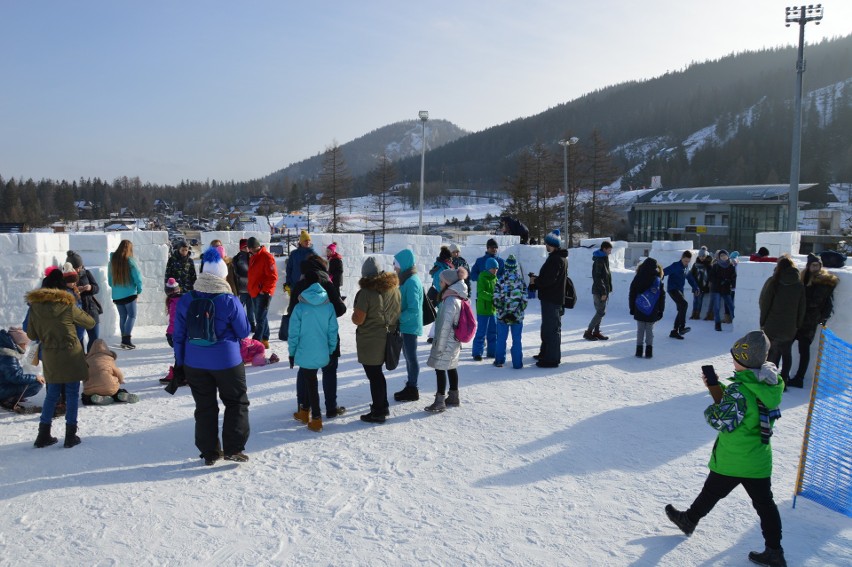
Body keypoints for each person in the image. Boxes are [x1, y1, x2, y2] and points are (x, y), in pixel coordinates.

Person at [665, 330, 786, 567]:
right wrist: (716, 387)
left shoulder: (739, 391)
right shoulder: (766, 382)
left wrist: (712, 406)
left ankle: (689, 520)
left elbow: (720, 419)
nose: (732, 361)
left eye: (735, 358)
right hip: (758, 459)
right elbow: (744, 407)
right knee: (765, 505)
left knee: (711, 492)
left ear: (744, 361)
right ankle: (775, 550)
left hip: (733, 457)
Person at [173, 248, 252, 465]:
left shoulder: (187, 299)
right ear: (222, 275)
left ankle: (209, 452)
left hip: (194, 362)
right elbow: (244, 331)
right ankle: (233, 448)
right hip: (227, 361)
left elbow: (178, 334)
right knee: (236, 402)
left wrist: (180, 363)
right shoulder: (229, 300)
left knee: (205, 407)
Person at [26, 281, 95, 448]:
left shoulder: (34, 308)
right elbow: (90, 322)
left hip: (50, 355)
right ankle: (70, 435)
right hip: (71, 353)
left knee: (51, 395)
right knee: (71, 394)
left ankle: (43, 435)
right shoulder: (67, 306)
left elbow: (31, 334)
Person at [287, 255, 347, 420]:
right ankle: (331, 408)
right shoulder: (327, 284)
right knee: (329, 371)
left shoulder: (299, 285)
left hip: (305, 339)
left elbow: (292, 312)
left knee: (304, 372)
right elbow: (341, 309)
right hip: (327, 335)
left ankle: (303, 407)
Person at [352, 257, 400, 424]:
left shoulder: (366, 293)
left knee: (374, 375)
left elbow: (358, 319)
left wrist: (354, 312)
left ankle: (379, 411)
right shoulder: (393, 288)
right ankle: (382, 405)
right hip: (388, 336)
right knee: (377, 374)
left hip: (371, 339)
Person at [288, 281, 339, 432]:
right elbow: (333, 331)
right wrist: (331, 349)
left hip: (305, 351)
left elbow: (293, 333)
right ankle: (304, 411)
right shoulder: (329, 307)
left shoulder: (300, 307)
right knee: (308, 379)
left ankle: (316, 418)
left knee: (310, 382)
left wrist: (291, 352)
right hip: (322, 350)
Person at [789, 253, 837, 388]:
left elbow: (819, 301)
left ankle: (799, 378)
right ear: (808, 266)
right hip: (798, 318)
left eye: (817, 265)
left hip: (810, 320)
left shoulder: (823, 281)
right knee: (786, 346)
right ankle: (785, 374)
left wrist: (822, 319)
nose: (815, 267)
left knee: (803, 349)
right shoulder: (803, 277)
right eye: (813, 265)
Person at [425, 267, 469, 412]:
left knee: (440, 369)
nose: (439, 283)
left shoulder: (450, 300)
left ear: (448, 283)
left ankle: (440, 401)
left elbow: (445, 326)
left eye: (441, 281)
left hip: (447, 341)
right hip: (454, 340)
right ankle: (454, 396)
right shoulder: (455, 296)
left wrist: (440, 346)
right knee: (451, 367)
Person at [758, 255, 806, 385]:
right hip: (790, 327)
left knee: (772, 353)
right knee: (786, 353)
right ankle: (784, 379)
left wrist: (762, 322)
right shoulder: (799, 285)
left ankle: (771, 380)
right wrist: (798, 325)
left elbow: (764, 303)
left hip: (772, 324)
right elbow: (802, 308)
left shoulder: (774, 282)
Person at [392, 248, 424, 402]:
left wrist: (398, 319)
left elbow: (413, 309)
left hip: (409, 326)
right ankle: (411, 385)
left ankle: (413, 388)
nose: (394, 267)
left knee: (411, 357)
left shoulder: (411, 282)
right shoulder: (406, 278)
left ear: (403, 264)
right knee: (408, 356)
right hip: (406, 325)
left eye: (395, 264)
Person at [533, 232, 568, 368]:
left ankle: (552, 359)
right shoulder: (558, 258)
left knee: (552, 329)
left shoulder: (556, 259)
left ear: (551, 244)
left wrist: (536, 281)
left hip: (552, 299)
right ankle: (545, 353)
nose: (545, 245)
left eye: (546, 243)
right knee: (548, 327)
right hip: (553, 297)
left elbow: (549, 280)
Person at [492, 255, 528, 369]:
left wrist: (504, 312)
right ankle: (517, 363)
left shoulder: (500, 281)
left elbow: (496, 299)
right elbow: (524, 300)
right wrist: (516, 313)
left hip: (502, 317)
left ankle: (499, 360)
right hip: (517, 317)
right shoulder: (521, 282)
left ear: (506, 267)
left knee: (501, 339)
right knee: (517, 339)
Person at [108, 239, 143, 349]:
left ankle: (123, 341)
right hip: (129, 294)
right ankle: (126, 340)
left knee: (123, 316)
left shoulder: (111, 262)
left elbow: (110, 281)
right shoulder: (130, 261)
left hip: (117, 295)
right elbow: (137, 278)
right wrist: (139, 290)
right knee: (132, 316)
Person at [82, 339, 139, 405]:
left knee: (85, 397)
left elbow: (84, 376)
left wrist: (86, 384)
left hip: (92, 388)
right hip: (109, 386)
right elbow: (118, 373)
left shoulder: (87, 361)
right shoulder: (109, 359)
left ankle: (93, 398)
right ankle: (121, 395)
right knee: (114, 390)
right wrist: (120, 380)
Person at [629, 258, 665, 359]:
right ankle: (649, 351)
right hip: (652, 309)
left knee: (640, 330)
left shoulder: (638, 277)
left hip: (639, 307)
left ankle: (639, 351)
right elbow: (662, 296)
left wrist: (632, 307)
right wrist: (661, 310)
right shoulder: (657, 280)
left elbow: (632, 293)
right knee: (650, 330)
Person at [0, 328, 44, 412]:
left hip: (3, 385)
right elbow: (15, 377)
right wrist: (35, 377)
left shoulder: (4, 351)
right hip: (2, 389)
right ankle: (8, 399)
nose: (26, 346)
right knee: (37, 384)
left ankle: (11, 397)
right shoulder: (8, 356)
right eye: (25, 343)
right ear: (19, 343)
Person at [246, 236, 278, 349]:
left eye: (249, 248)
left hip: (263, 293)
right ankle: (265, 338)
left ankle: (257, 341)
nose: (248, 250)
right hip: (254, 291)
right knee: (261, 317)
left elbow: (273, 277)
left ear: (253, 247)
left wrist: (265, 292)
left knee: (259, 318)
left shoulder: (266, 257)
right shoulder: (253, 257)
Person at [67, 250, 101, 353]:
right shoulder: (67, 277)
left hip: (91, 310)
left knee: (94, 338)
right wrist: (77, 290)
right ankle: (82, 361)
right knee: (79, 340)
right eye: (76, 268)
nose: (78, 270)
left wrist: (90, 287)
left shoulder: (86, 273)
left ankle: (90, 358)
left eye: (80, 267)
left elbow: (96, 288)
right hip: (77, 313)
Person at [663, 250, 699, 339]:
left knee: (681, 309)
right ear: (682, 258)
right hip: (673, 289)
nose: (686, 263)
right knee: (684, 304)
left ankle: (674, 331)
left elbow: (690, 279)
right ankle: (682, 327)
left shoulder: (686, 268)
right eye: (685, 261)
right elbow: (664, 272)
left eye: (688, 261)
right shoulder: (675, 265)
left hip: (680, 291)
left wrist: (696, 288)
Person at [584, 241, 613, 341]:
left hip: (602, 290)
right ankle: (588, 332)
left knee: (600, 311)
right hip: (599, 291)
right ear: (604, 249)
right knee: (600, 312)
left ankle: (596, 332)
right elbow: (597, 278)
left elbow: (605, 276)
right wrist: (604, 292)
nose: (610, 252)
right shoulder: (599, 261)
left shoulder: (604, 259)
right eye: (609, 250)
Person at [471, 257, 498, 361]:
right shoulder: (482, 277)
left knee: (493, 332)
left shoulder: (495, 278)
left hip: (493, 310)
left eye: (496, 268)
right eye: (493, 268)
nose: (495, 270)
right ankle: (477, 353)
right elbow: (481, 293)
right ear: (488, 268)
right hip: (483, 309)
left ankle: (492, 352)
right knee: (481, 332)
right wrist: (493, 297)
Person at [160, 278, 182, 385]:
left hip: (177, 333)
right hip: (185, 332)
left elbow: (174, 321)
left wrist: (169, 334)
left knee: (179, 354)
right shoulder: (183, 300)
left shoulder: (173, 303)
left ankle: (178, 375)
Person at [709, 249, 736, 332]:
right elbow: (711, 277)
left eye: (724, 255)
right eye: (721, 256)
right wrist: (719, 281)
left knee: (731, 306)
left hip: (726, 289)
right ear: (719, 257)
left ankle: (736, 322)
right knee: (716, 307)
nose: (723, 257)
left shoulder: (731, 266)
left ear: (728, 256)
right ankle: (717, 324)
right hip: (716, 289)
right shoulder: (716, 266)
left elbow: (734, 277)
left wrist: (730, 283)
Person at [232, 238, 256, 333]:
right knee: (240, 308)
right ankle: (239, 324)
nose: (247, 248)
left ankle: (252, 324)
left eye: (248, 247)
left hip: (252, 288)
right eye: (245, 247)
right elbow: (236, 272)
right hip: (242, 288)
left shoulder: (253, 256)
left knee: (251, 309)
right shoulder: (237, 258)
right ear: (241, 247)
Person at [690, 247, 713, 320]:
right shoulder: (695, 264)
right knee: (695, 300)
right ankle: (693, 313)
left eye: (703, 256)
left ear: (706, 256)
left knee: (699, 300)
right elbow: (692, 274)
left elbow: (710, 275)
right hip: (696, 285)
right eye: (700, 256)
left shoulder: (709, 265)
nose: (701, 258)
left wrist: (709, 282)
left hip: (703, 286)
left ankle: (697, 314)